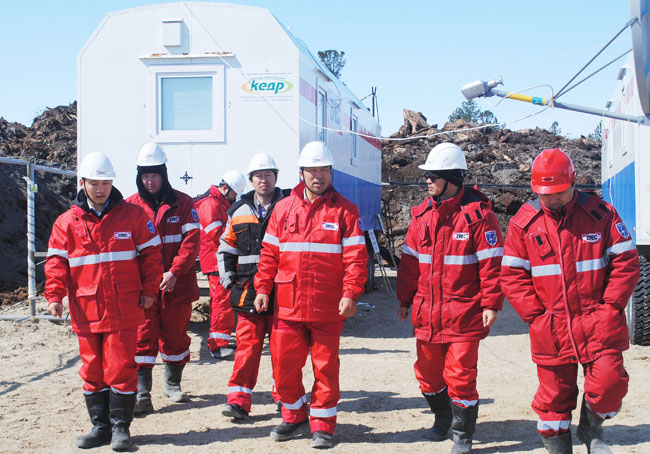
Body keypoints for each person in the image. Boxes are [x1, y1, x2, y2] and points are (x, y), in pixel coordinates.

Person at [500, 148, 640, 454]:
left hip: (598, 320)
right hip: (551, 325)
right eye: (544, 194)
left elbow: (626, 262)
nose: (551, 200)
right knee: (553, 399)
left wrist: (611, 306)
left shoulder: (601, 214)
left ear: (574, 184)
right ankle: (558, 448)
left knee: (610, 385)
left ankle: (591, 428)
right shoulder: (525, 224)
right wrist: (536, 316)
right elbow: (511, 276)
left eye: (558, 193)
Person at [253, 141, 368, 450]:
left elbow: (356, 259)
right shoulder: (283, 209)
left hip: (327, 306)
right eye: (313, 170)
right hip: (287, 305)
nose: (319, 176)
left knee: (325, 368)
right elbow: (269, 254)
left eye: (324, 170)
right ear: (301, 173)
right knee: (283, 367)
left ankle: (322, 425)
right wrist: (262, 288)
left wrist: (351, 293)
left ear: (331, 172)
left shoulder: (346, 211)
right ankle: (293, 416)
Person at [45, 152, 163, 451]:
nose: (101, 189)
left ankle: (121, 429)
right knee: (92, 370)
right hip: (86, 309)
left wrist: (150, 290)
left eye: (106, 183)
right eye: (95, 183)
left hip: (124, 307)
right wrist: (54, 295)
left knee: (121, 367)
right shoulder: (66, 222)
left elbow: (152, 256)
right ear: (82, 183)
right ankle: (100, 428)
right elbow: (56, 263)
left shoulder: (133, 216)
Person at [396, 142, 504, 454]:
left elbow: (492, 265)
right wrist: (404, 300)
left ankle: (462, 433)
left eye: (434, 176)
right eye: (427, 175)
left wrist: (491, 303)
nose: (427, 180)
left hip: (464, 313)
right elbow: (409, 264)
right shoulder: (422, 217)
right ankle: (442, 417)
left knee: (460, 376)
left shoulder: (479, 217)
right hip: (427, 313)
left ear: (453, 179)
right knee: (428, 375)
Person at [125, 143, 201, 414]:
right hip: (144, 286)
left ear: (164, 175)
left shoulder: (183, 203)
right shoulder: (129, 207)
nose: (150, 181)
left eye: (154, 175)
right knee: (142, 337)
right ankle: (142, 393)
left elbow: (192, 242)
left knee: (175, 335)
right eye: (145, 175)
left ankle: (172, 384)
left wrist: (174, 272)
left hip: (177, 285)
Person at [218, 153, 284, 420]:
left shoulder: (288, 207)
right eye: (259, 175)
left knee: (283, 352)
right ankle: (238, 402)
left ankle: (286, 399)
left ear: (276, 178)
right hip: (247, 293)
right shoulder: (238, 211)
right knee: (246, 349)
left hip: (282, 293)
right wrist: (228, 281)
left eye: (268, 175)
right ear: (251, 180)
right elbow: (226, 249)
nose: (263, 180)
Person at [195, 169, 247, 359]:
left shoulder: (217, 203)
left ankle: (220, 342)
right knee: (221, 302)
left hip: (220, 260)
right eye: (234, 194)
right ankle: (217, 346)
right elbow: (218, 235)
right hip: (216, 261)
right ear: (225, 189)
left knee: (223, 302)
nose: (234, 198)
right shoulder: (210, 205)